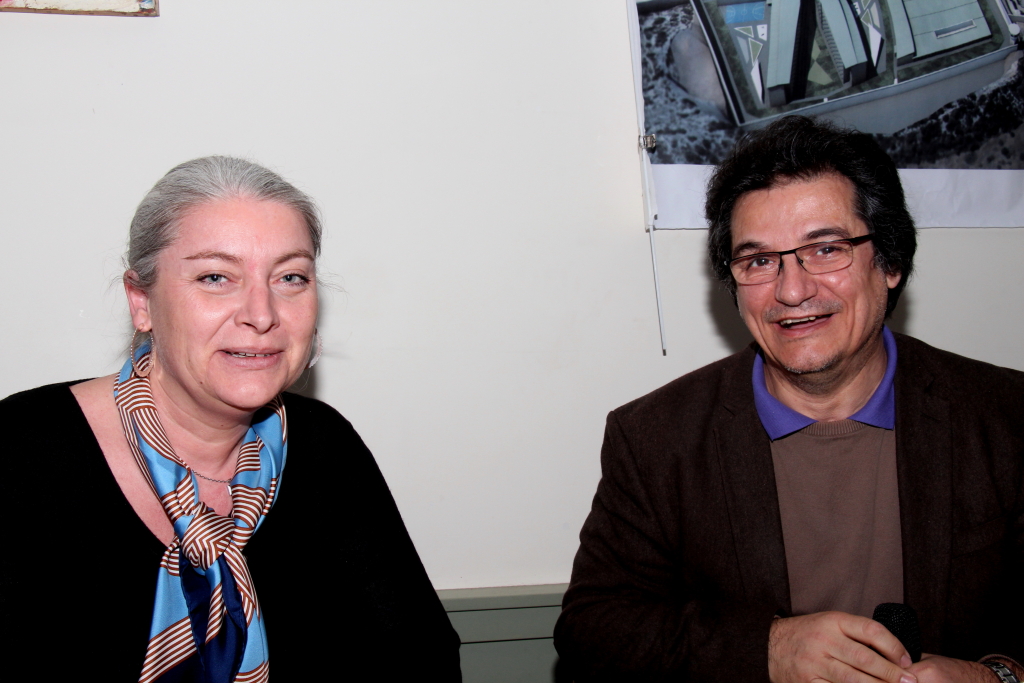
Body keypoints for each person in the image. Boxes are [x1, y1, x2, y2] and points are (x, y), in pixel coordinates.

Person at [554, 116, 1023, 683]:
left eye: (825, 249)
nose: (792, 290)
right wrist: (767, 649)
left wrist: (996, 677)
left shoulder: (1005, 417)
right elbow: (593, 632)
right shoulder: (657, 439)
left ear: (891, 263)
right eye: (758, 261)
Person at [0, 156, 461, 681]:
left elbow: (424, 658)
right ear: (141, 301)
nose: (261, 314)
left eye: (290, 277)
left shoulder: (324, 445)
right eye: (216, 277)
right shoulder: (18, 454)